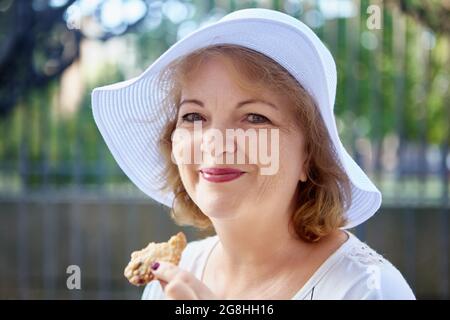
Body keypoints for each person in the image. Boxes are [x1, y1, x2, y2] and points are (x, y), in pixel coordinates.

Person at [92, 8, 415, 300]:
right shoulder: (172, 279)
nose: (215, 143)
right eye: (194, 116)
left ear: (309, 156)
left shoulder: (368, 288)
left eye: (255, 117)